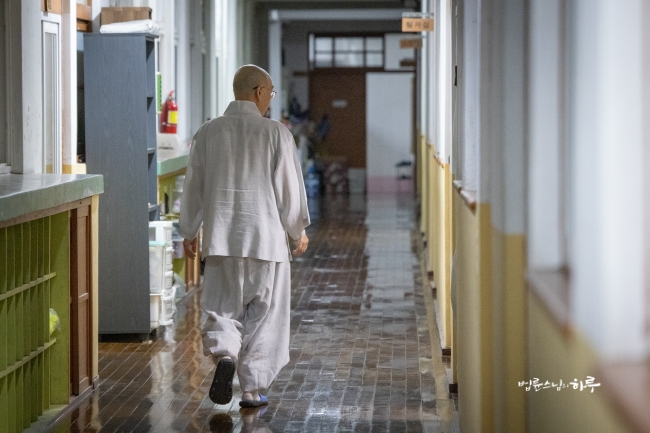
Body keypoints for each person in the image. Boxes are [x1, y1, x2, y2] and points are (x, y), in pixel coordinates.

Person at [179, 65, 310, 408]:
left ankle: (225, 354)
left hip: (221, 241)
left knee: (223, 309)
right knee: (265, 316)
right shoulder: (276, 133)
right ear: (259, 92)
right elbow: (289, 189)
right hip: (266, 242)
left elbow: (194, 186)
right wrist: (297, 230)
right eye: (270, 92)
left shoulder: (208, 132)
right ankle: (252, 389)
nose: (270, 99)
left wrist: (189, 230)